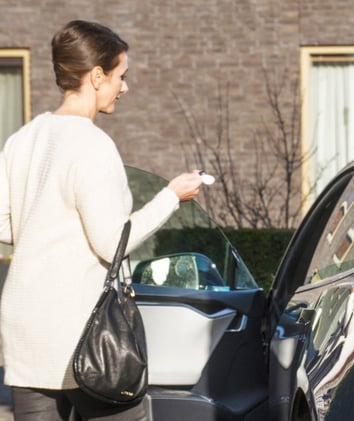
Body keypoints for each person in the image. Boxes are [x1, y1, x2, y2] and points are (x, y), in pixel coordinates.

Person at [0, 20, 204, 420]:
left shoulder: (23, 139)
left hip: (26, 332)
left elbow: (4, 225)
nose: (124, 86)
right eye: (120, 76)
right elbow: (113, 243)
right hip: (86, 337)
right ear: (96, 76)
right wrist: (171, 197)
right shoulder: (93, 145)